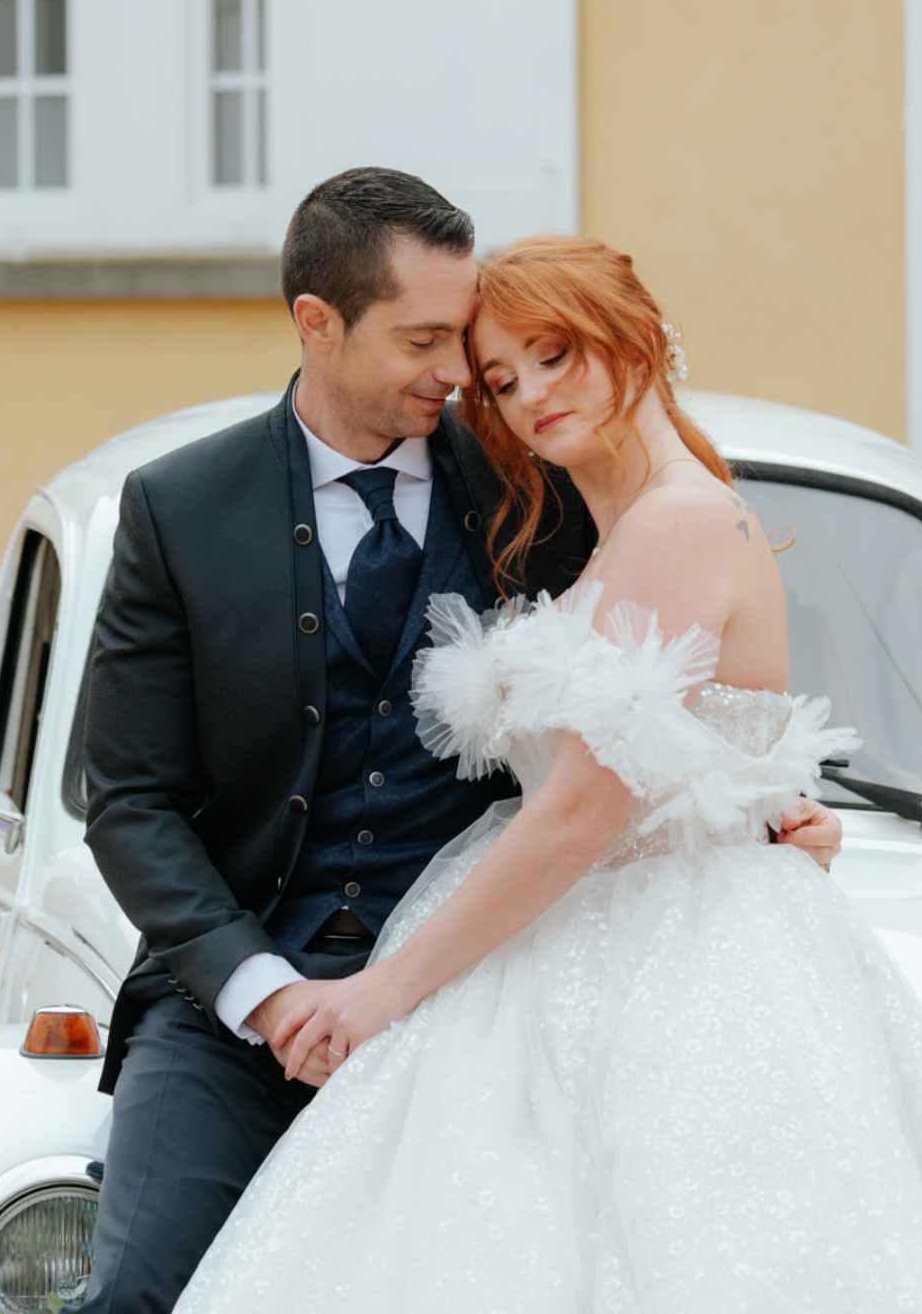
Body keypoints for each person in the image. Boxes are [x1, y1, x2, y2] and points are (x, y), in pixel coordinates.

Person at [172, 235, 922, 1313]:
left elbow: (584, 809)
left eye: (555, 354)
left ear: (635, 340)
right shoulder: (612, 529)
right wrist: (768, 805)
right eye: (501, 377)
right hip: (568, 940)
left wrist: (381, 995)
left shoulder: (675, 521)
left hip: (674, 962)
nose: (530, 395)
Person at [76, 175, 845, 1314]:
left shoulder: (544, 486)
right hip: (236, 1000)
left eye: (471, 346)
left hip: (477, 983)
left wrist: (768, 803)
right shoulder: (177, 508)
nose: (468, 378)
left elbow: (677, 678)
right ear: (318, 323)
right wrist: (266, 992)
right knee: (146, 1293)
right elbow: (129, 798)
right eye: (431, 341)